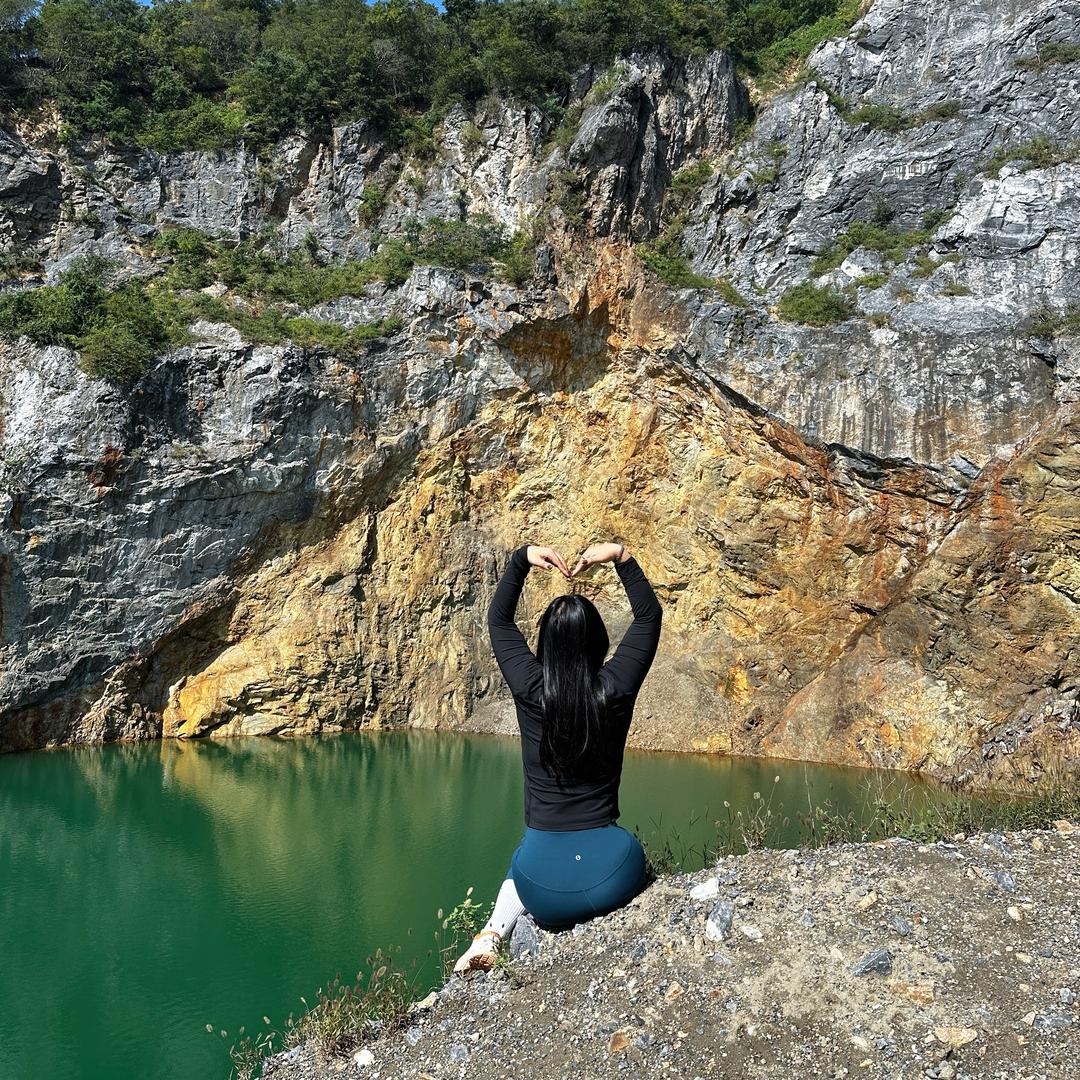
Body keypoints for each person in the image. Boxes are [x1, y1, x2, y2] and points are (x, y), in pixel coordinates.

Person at [453, 540, 663, 975]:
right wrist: (620, 556)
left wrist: (521, 560)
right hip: (612, 876)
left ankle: (491, 935)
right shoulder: (616, 689)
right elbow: (648, 616)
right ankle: (496, 931)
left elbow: (499, 620)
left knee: (523, 859)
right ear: (600, 642)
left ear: (544, 644)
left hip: (540, 890)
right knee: (622, 847)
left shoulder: (530, 690)